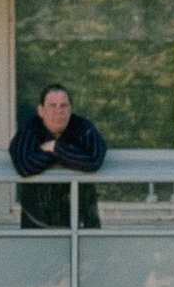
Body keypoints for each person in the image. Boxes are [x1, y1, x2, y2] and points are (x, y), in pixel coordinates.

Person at [9, 81, 108, 231]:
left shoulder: (83, 127)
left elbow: (94, 160)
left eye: (64, 106)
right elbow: (24, 166)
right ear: (41, 110)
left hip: (83, 225)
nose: (59, 111)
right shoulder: (30, 129)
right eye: (52, 105)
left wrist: (54, 147)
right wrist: (69, 154)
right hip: (37, 224)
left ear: (70, 109)